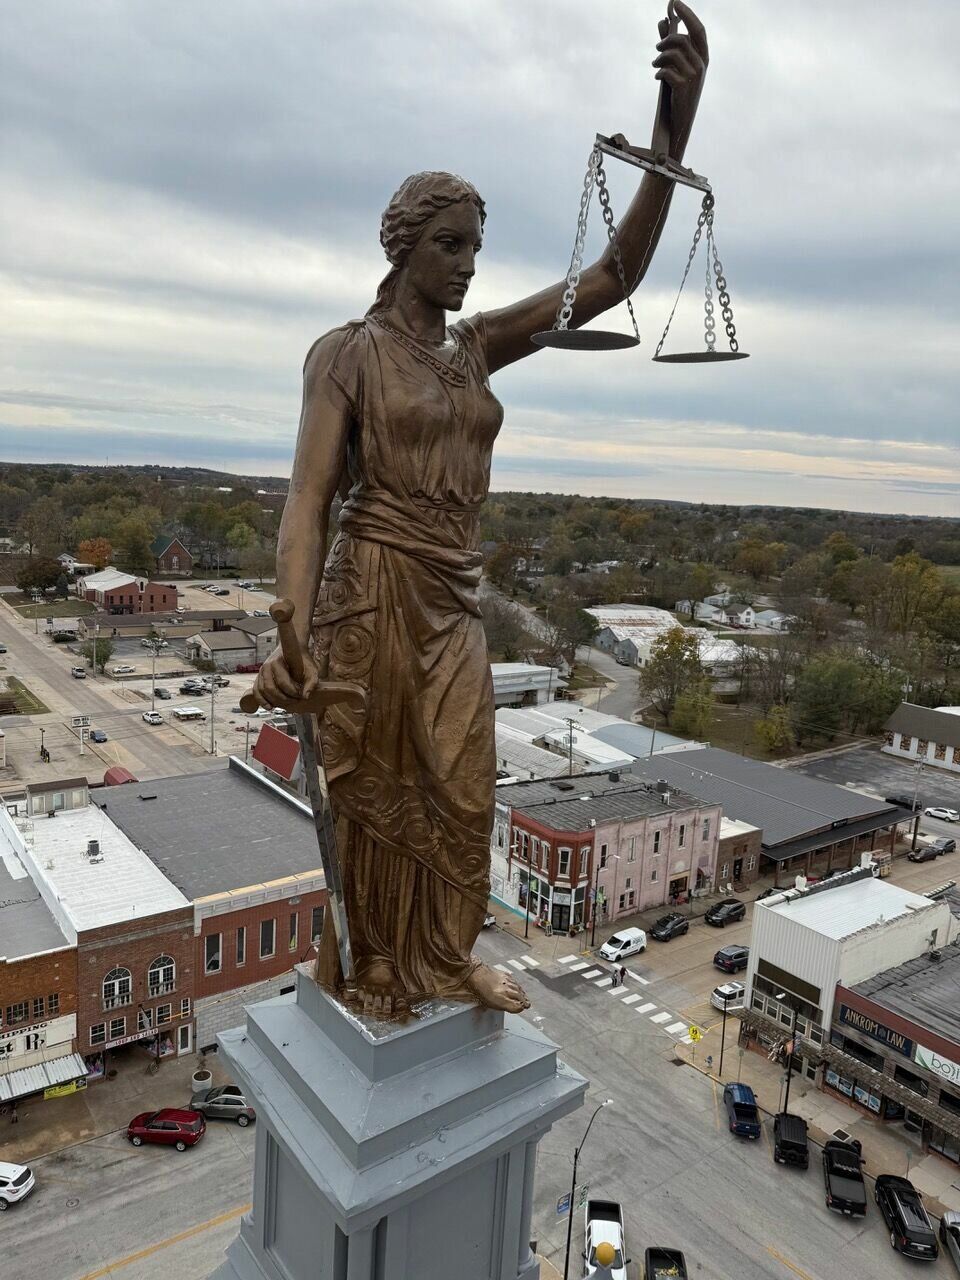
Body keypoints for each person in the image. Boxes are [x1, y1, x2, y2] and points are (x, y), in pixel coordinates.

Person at [255, 5, 709, 1018]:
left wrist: (675, 127)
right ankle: (376, 959)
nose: (467, 264)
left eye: (476, 245)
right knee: (377, 788)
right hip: (368, 592)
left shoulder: (476, 347)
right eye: (450, 245)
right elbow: (308, 498)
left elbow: (614, 278)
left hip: (452, 600)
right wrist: (285, 624)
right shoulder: (346, 355)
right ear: (405, 246)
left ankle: (445, 952)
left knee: (463, 790)